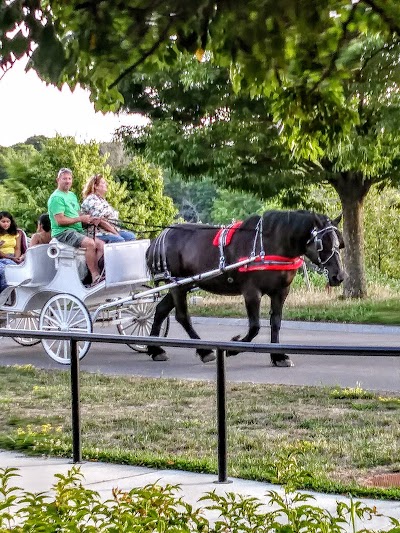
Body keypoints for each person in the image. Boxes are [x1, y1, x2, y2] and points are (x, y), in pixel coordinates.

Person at [47, 168, 104, 287]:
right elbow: (60, 221)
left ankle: (95, 274)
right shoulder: (56, 198)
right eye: (64, 179)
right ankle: (95, 275)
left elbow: (78, 214)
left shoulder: (72, 195)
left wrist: (90, 219)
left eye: (69, 178)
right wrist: (80, 219)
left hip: (77, 230)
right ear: (58, 180)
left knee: (101, 245)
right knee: (90, 243)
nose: (67, 181)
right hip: (63, 232)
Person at [81, 174, 136, 243]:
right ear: (96, 186)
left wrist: (116, 231)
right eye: (103, 183)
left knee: (130, 236)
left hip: (109, 230)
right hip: (97, 232)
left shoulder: (102, 200)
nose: (106, 184)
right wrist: (115, 233)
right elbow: (101, 221)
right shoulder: (92, 200)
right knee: (118, 240)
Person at [0, 211, 23, 292]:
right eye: (3, 222)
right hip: (2, 258)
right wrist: (11, 258)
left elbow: (17, 248)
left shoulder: (16, 233)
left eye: (7, 221)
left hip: (12, 258)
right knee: (4, 271)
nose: (6, 224)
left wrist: (16, 257)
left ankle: (9, 294)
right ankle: (3, 294)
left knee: (14, 270)